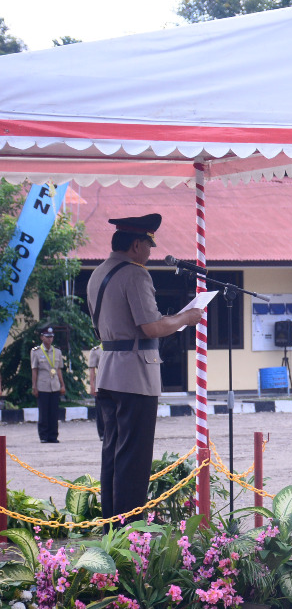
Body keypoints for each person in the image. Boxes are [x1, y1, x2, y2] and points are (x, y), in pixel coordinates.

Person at [87, 213, 204, 522]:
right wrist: (185, 318)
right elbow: (151, 327)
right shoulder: (135, 275)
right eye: (149, 246)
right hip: (135, 375)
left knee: (112, 454)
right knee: (134, 460)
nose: (151, 253)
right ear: (136, 244)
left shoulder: (98, 273)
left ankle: (112, 526)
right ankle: (130, 531)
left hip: (109, 371)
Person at [30, 326, 65, 444]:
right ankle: (43, 436)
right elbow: (34, 370)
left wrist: (62, 385)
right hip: (42, 385)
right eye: (47, 337)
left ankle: (53, 435)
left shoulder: (57, 352)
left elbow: (59, 370)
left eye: (51, 337)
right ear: (41, 337)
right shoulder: (36, 352)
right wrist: (34, 386)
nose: (49, 339)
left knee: (54, 413)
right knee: (43, 413)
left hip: (54, 385)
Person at [87, 343, 104, 440]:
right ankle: (102, 433)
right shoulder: (96, 351)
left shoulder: (115, 347)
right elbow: (92, 370)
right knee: (100, 409)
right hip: (101, 382)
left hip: (114, 382)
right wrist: (92, 385)